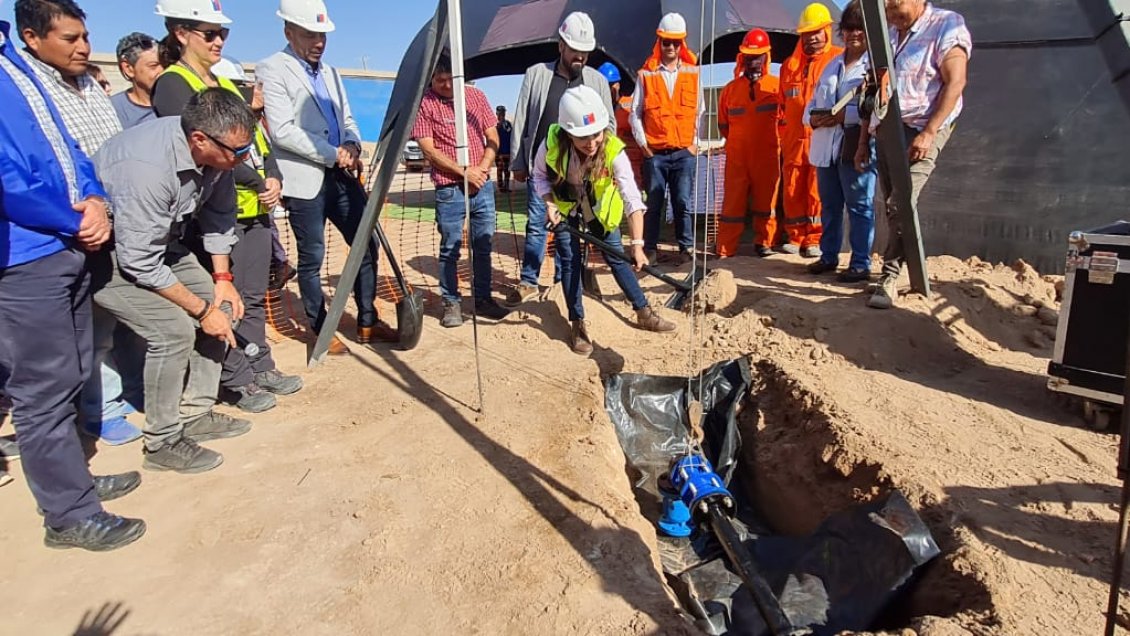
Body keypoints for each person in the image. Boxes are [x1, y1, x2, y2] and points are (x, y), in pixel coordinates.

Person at [0, 11, 145, 550]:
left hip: (68, 242)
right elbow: (7, 177)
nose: (84, 45)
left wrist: (95, 201)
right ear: (36, 36)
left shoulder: (20, 69)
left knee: (77, 366)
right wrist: (72, 217)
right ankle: (68, 513)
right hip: (25, 255)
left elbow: (70, 152)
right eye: (72, 37)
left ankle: (74, 481)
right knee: (43, 387)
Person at [92, 89, 257, 474]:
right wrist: (201, 310)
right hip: (111, 255)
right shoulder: (147, 168)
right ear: (200, 139)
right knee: (174, 331)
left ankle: (196, 412)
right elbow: (138, 262)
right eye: (238, 151)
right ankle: (162, 441)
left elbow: (220, 216)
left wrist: (222, 280)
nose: (243, 158)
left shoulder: (219, 159)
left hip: (162, 246)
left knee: (224, 308)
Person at [150, 3, 303, 413]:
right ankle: (233, 380)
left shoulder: (223, 80)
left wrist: (272, 175)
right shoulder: (172, 84)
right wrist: (255, 179)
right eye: (209, 33)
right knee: (224, 301)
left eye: (223, 34)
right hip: (214, 216)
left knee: (252, 297)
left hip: (254, 211)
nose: (218, 41)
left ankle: (259, 364)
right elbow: (207, 152)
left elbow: (256, 139)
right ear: (181, 33)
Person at [258, 0, 394, 354]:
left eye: (322, 34)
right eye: (310, 34)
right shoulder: (272, 69)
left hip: (342, 176)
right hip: (305, 181)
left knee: (366, 243)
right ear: (289, 32)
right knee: (313, 257)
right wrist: (335, 153)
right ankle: (321, 328)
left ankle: (367, 320)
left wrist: (351, 143)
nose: (319, 41)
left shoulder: (332, 74)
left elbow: (347, 119)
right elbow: (283, 131)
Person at [533, 86, 676, 355]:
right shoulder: (551, 144)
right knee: (570, 262)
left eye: (596, 134)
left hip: (600, 211)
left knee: (618, 259)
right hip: (566, 208)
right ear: (567, 132)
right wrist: (549, 203)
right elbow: (539, 176)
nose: (591, 142)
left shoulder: (612, 149)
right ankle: (577, 323)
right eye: (583, 137)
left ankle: (643, 311)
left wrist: (636, 244)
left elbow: (632, 197)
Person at [865, 0, 970, 310]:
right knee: (892, 203)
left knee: (901, 201)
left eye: (897, 9)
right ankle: (913, 276)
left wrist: (929, 132)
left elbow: (956, 82)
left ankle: (888, 276)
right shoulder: (890, 35)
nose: (893, 17)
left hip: (924, 126)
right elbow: (877, 84)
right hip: (887, 127)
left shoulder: (946, 25)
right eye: (888, 12)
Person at [506, 11, 614, 307]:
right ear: (561, 46)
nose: (580, 56)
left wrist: (604, 166)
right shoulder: (537, 74)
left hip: (583, 174)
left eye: (585, 51)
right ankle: (529, 280)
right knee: (537, 225)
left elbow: (610, 127)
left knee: (575, 229)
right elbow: (524, 119)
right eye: (575, 49)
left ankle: (562, 282)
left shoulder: (597, 81)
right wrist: (518, 162)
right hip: (544, 170)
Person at [411, 57, 510, 328]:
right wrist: (462, 171)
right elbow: (428, 149)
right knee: (450, 249)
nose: (445, 85)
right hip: (449, 188)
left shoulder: (476, 96)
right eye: (439, 80)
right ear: (431, 79)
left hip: (482, 186)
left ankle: (483, 298)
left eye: (449, 79)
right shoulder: (425, 104)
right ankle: (451, 302)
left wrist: (481, 168)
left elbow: (493, 137)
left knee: (483, 245)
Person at [805, 0, 877, 282]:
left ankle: (860, 263)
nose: (853, 35)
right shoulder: (831, 65)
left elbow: (873, 108)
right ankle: (828, 256)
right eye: (848, 29)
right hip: (826, 147)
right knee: (830, 206)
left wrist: (842, 116)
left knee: (860, 205)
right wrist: (813, 119)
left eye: (858, 29)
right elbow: (812, 104)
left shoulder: (874, 66)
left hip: (855, 145)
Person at [630, 12, 704, 264]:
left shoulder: (694, 73)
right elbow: (635, 113)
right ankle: (650, 248)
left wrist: (694, 144)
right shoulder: (646, 74)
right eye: (666, 42)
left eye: (675, 42)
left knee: (682, 201)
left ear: (682, 43)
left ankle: (685, 248)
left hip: (684, 152)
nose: (671, 47)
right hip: (656, 154)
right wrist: (645, 146)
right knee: (654, 203)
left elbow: (701, 112)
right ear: (659, 42)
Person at [779, 3, 843, 258]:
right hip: (794, 139)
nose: (813, 38)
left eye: (817, 32)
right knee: (792, 188)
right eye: (807, 33)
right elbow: (783, 105)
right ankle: (795, 236)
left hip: (822, 137)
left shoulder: (838, 59)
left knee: (818, 190)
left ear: (827, 30)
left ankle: (815, 238)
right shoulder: (789, 66)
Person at [716, 28, 781, 259]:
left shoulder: (776, 87)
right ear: (742, 57)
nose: (754, 60)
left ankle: (764, 243)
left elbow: (785, 122)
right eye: (750, 56)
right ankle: (726, 247)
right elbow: (723, 125)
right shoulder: (730, 91)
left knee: (766, 202)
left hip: (767, 155)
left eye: (758, 55)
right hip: (737, 156)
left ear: (766, 57)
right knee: (732, 202)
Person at [598, 61, 644, 184]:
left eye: (611, 84)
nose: (607, 89)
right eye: (604, 85)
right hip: (606, 170)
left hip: (633, 168)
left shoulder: (630, 107)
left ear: (618, 85)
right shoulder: (596, 109)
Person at [110, 32, 163, 129]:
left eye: (165, 64)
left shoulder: (178, 103)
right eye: (153, 66)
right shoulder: (112, 110)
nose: (162, 71)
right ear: (128, 68)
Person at [495, 105, 512, 192]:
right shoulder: (495, 125)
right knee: (499, 170)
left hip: (507, 152)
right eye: (500, 113)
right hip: (499, 152)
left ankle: (506, 186)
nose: (502, 115)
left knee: (506, 170)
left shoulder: (508, 124)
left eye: (503, 113)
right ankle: (501, 187)